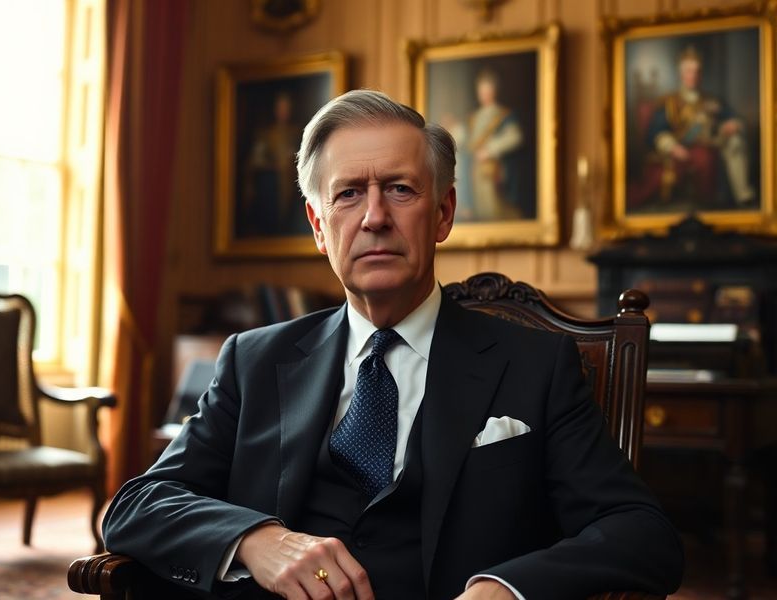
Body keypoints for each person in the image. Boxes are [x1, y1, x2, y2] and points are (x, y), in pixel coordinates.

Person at [103, 89, 683, 599]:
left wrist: (505, 589)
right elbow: (136, 507)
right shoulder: (254, 360)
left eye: (400, 190)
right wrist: (258, 540)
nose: (375, 216)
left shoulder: (536, 364)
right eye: (349, 193)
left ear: (443, 213)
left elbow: (641, 532)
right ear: (317, 225)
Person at [632, 45, 755, 209]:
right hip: (682, 148)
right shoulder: (669, 102)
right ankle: (706, 205)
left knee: (735, 141)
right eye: (689, 71)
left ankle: (742, 195)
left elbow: (734, 117)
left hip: (714, 143)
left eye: (697, 72)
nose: (693, 76)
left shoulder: (710, 100)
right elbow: (654, 132)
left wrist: (733, 124)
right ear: (681, 74)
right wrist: (672, 146)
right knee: (704, 158)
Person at [444, 68, 526, 221]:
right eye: (482, 91)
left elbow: (515, 136)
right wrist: (451, 129)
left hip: (492, 169)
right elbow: (464, 136)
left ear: (494, 91)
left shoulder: (502, 115)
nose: (484, 95)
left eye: (487, 90)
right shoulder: (474, 117)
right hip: (475, 170)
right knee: (480, 210)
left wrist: (490, 150)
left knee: (493, 208)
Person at [242, 91, 304, 235]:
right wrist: (275, 164)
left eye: (286, 108)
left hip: (293, 182)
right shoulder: (266, 134)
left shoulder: (296, 133)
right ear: (275, 109)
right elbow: (256, 161)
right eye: (280, 108)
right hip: (272, 185)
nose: (284, 111)